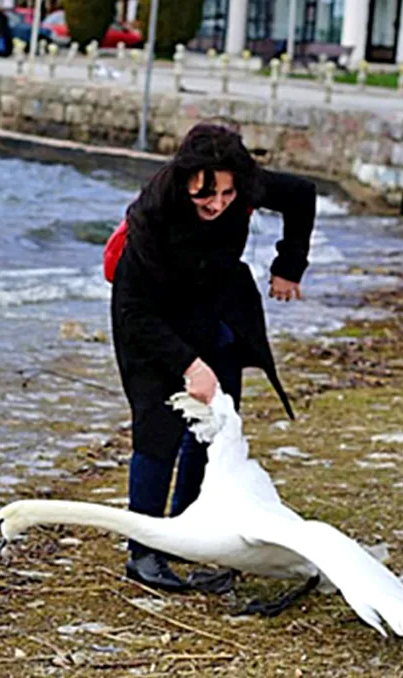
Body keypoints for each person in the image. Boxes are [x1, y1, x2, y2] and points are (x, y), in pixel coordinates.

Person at [110, 122, 315, 591]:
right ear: (185, 179)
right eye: (205, 194)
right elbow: (134, 311)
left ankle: (192, 532)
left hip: (215, 308)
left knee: (216, 427)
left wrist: (289, 265)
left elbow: (301, 194)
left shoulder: (242, 183)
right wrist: (190, 365)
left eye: (227, 194)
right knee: (158, 431)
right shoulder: (152, 216)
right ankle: (144, 553)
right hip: (151, 322)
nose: (217, 203)